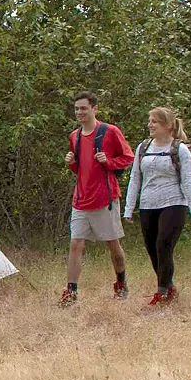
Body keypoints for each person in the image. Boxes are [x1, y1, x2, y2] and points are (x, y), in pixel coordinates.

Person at [60, 91, 135, 307]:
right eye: (76, 109)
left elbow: (127, 157)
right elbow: (81, 169)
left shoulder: (109, 132)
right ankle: (71, 292)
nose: (79, 112)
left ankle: (121, 283)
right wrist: (72, 162)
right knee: (75, 244)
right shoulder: (74, 136)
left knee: (112, 243)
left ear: (94, 109)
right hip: (81, 199)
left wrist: (108, 161)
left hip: (105, 198)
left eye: (83, 108)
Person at [123, 106, 191, 305]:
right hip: (148, 204)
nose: (150, 125)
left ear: (168, 126)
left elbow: (187, 182)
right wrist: (128, 208)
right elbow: (135, 178)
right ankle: (170, 286)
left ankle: (162, 293)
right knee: (152, 248)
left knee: (163, 245)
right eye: (149, 121)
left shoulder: (180, 150)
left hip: (174, 202)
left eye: (154, 121)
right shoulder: (143, 148)